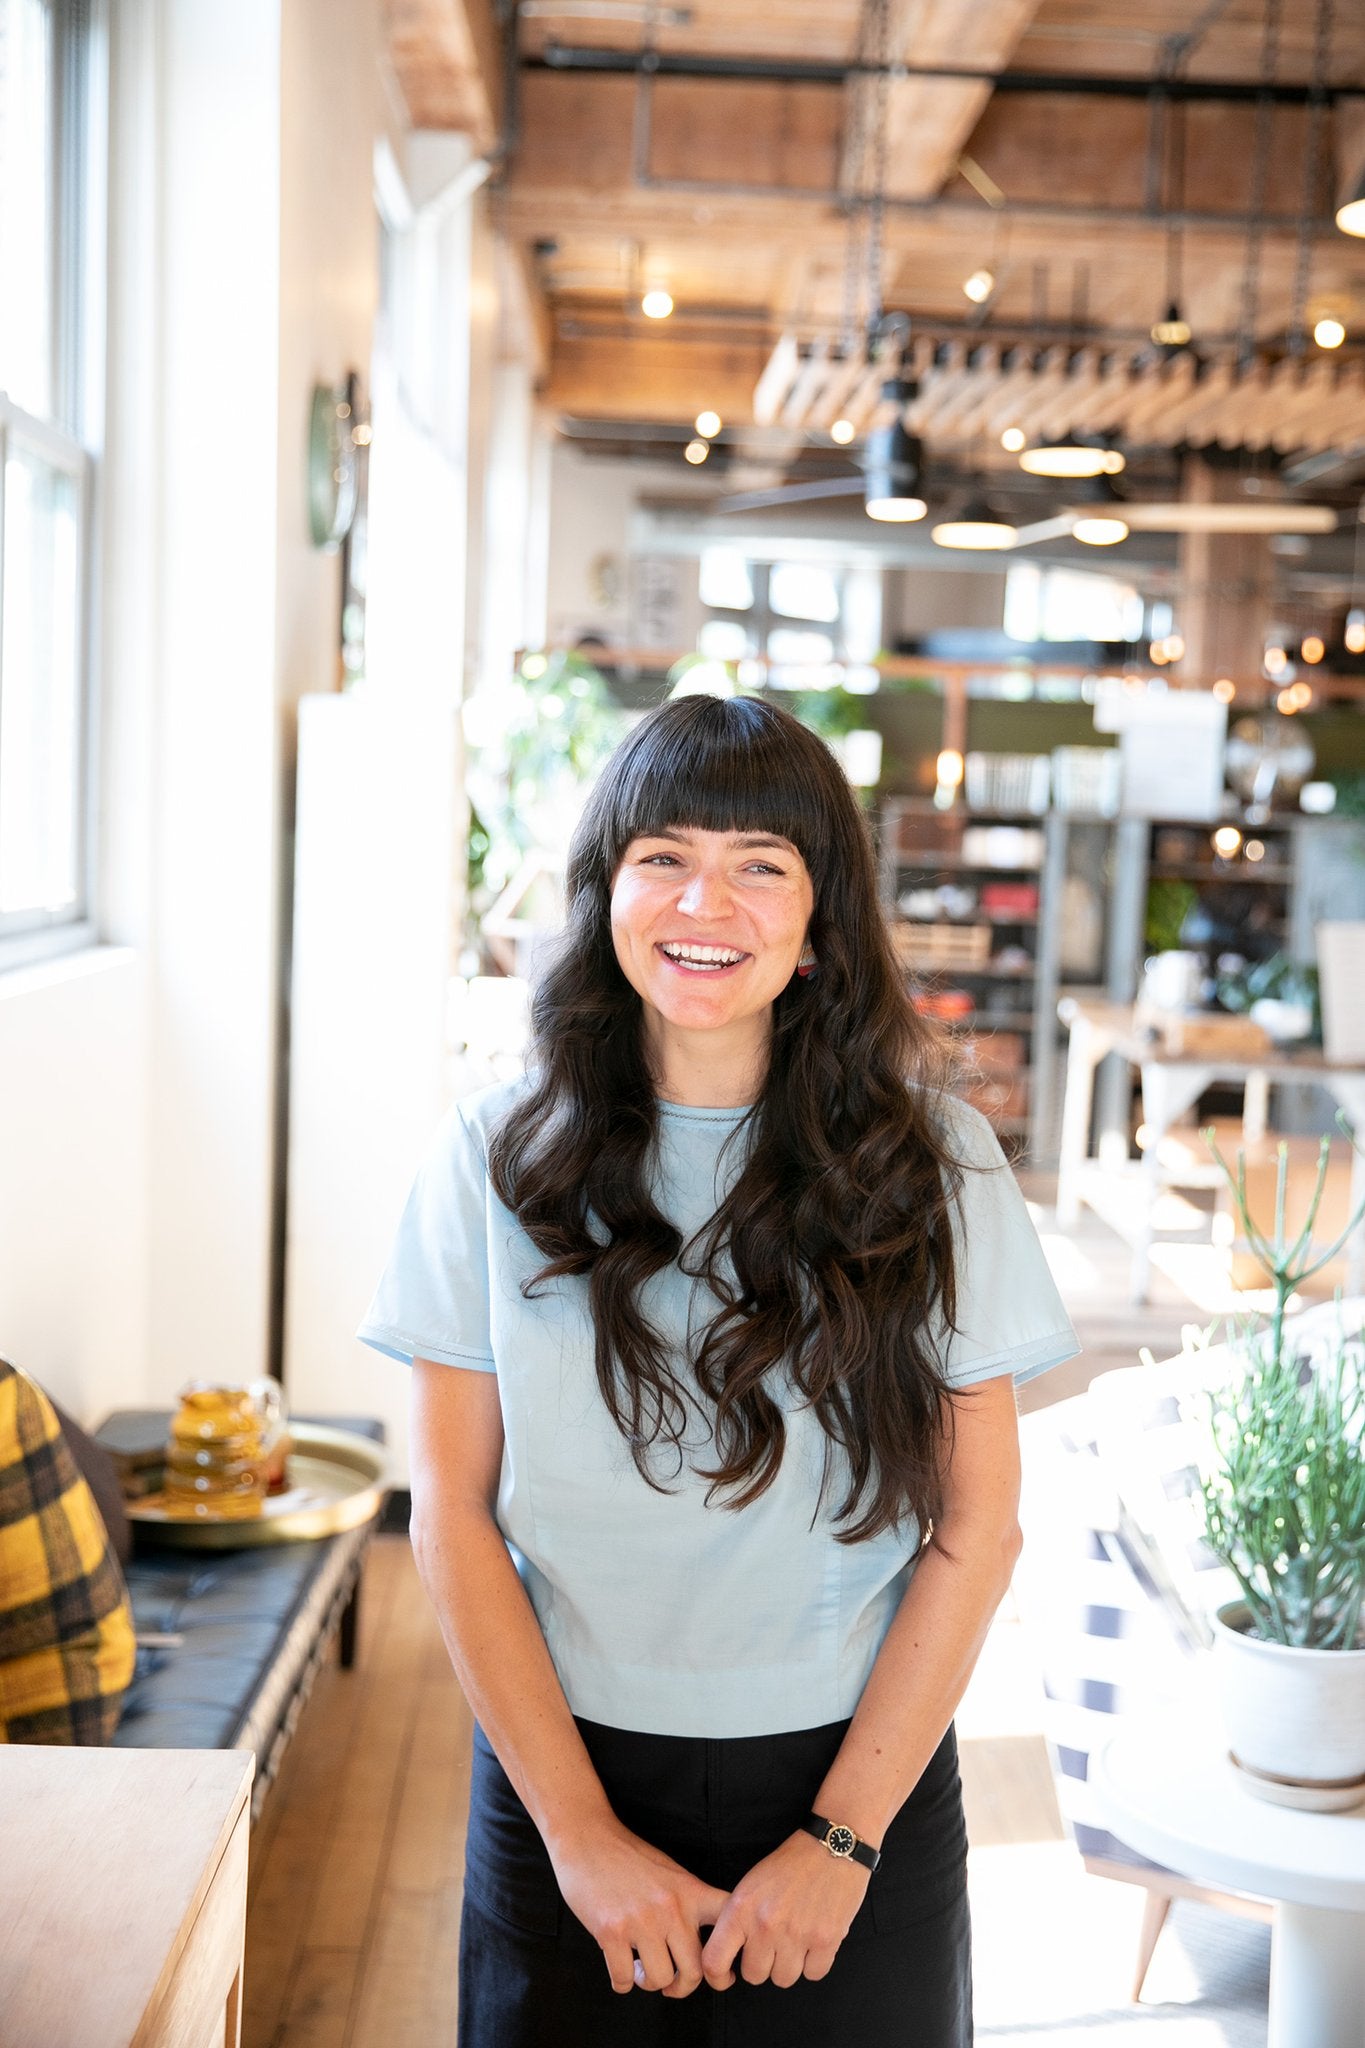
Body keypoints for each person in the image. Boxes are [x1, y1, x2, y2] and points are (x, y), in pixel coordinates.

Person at [357, 693, 1081, 2045]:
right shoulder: (490, 1157)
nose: (707, 900)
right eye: (664, 855)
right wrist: (576, 1837)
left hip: (855, 1774)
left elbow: (977, 1526)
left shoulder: (931, 1164)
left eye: (761, 864)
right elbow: (448, 1515)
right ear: (606, 890)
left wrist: (840, 1843)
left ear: (818, 925)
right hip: (559, 1766)